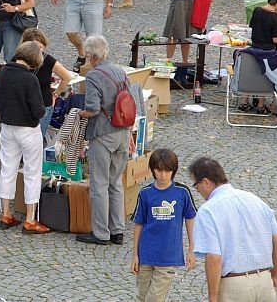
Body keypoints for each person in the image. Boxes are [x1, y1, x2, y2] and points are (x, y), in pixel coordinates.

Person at [189, 157, 277, 300]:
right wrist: (275, 276)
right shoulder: (254, 199)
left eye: (196, 186)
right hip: (265, 281)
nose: (198, 191)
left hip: (234, 286)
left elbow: (214, 258)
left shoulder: (208, 210)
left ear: (206, 182)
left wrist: (213, 297)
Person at [75, 35, 131, 245]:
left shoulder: (93, 76)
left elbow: (92, 109)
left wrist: (79, 114)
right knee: (115, 182)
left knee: (99, 183)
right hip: (122, 132)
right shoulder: (120, 71)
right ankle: (117, 230)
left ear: (90, 55)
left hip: (103, 133)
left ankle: (100, 233)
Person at [0, 41, 48, 233]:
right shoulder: (30, 79)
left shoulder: (2, 73)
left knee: (7, 170)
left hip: (7, 127)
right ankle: (30, 219)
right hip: (28, 130)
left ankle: (6, 214)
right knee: (32, 172)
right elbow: (39, 110)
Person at [131, 149, 197, 302]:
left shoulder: (182, 192)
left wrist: (191, 250)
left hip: (168, 256)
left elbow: (191, 219)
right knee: (142, 297)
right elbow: (139, 223)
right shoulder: (145, 193)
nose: (163, 175)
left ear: (173, 171)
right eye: (159, 170)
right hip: (146, 254)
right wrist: (135, 254)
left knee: (153, 299)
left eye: (167, 170)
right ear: (152, 169)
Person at [20, 29, 72, 141]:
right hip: (22, 105)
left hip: (43, 105)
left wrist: (56, 95)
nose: (38, 51)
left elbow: (66, 77)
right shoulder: (19, 58)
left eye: (40, 47)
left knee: (36, 141)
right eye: (34, 47)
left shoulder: (48, 59)